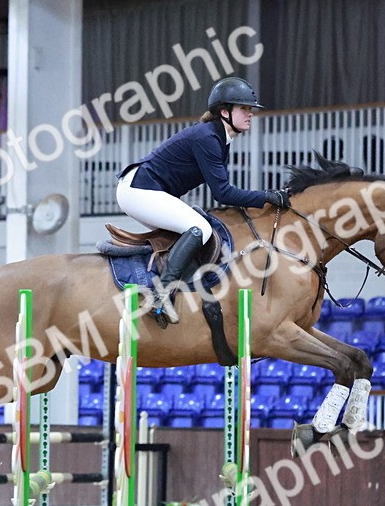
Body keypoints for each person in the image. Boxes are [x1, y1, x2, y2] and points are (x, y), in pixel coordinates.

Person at [116, 76, 289, 326]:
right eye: (244, 108)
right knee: (200, 228)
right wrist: (266, 196)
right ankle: (160, 296)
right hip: (139, 190)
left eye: (250, 109)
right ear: (224, 112)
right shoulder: (207, 138)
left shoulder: (218, 138)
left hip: (146, 189)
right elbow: (223, 193)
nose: (250, 114)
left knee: (195, 228)